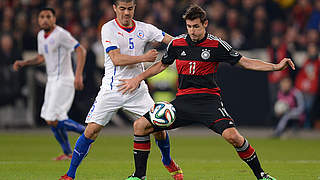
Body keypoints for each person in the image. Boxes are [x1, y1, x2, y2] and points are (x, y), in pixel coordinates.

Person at [119, 5, 295, 180]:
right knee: (140, 126)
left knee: (233, 136)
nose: (192, 31)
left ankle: (262, 175)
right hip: (183, 102)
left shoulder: (216, 45)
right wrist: (138, 78)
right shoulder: (176, 44)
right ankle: (139, 176)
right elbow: (161, 64)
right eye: (189, 26)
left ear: (205, 24)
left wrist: (275, 66)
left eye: (196, 26)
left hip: (208, 102)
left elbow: (245, 62)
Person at [60, 1, 183, 180]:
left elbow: (171, 40)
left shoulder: (144, 28)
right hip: (112, 88)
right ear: (115, 8)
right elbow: (116, 59)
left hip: (137, 88)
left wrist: (190, 45)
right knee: (91, 131)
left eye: (130, 8)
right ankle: (70, 175)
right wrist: (145, 57)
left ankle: (167, 160)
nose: (127, 13)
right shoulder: (108, 28)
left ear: (134, 8)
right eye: (123, 8)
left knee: (158, 127)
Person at [13, 7, 87, 160]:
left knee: (52, 119)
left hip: (64, 80)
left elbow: (81, 50)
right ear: (38, 20)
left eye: (48, 16)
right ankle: (67, 153)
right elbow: (41, 58)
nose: (45, 19)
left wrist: (78, 75)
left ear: (54, 18)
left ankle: (86, 133)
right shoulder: (41, 35)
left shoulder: (61, 34)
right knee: (50, 119)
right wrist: (24, 63)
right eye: (42, 17)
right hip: (52, 80)